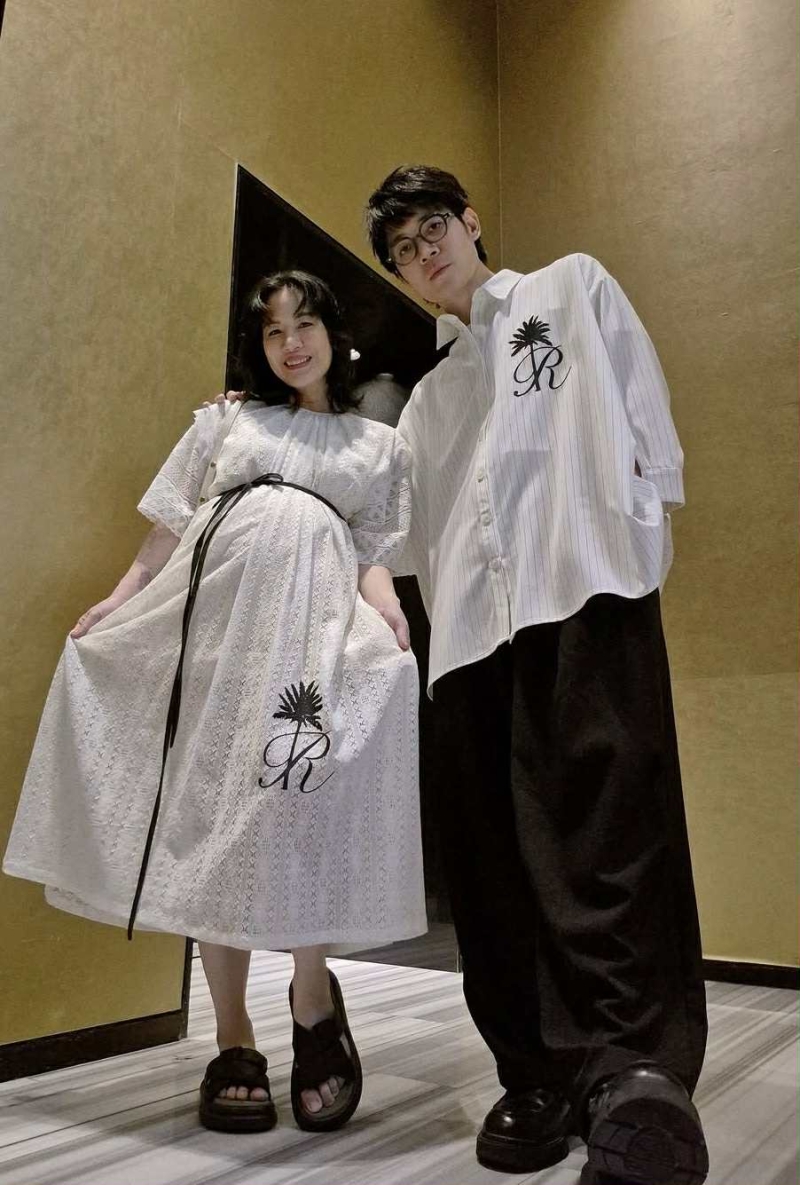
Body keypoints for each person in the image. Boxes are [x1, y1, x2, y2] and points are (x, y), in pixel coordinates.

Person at [3, 270, 426, 1135]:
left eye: (304, 325)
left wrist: (387, 609)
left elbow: (371, 550)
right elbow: (167, 524)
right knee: (211, 818)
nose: (290, 343)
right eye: (273, 332)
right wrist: (118, 599)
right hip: (213, 633)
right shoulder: (226, 422)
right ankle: (233, 1036)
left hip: (309, 633)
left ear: (332, 333)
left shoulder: (374, 445)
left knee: (298, 803)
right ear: (258, 347)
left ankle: (312, 997)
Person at [365, 166, 709, 1185]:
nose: (424, 253)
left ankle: (635, 1070)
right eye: (403, 250)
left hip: (583, 589)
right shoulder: (425, 403)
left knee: (609, 836)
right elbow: (399, 540)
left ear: (470, 222)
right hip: (470, 639)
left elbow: (642, 416)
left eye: (432, 227)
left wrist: (639, 529)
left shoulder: (569, 287)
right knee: (494, 869)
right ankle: (534, 1073)